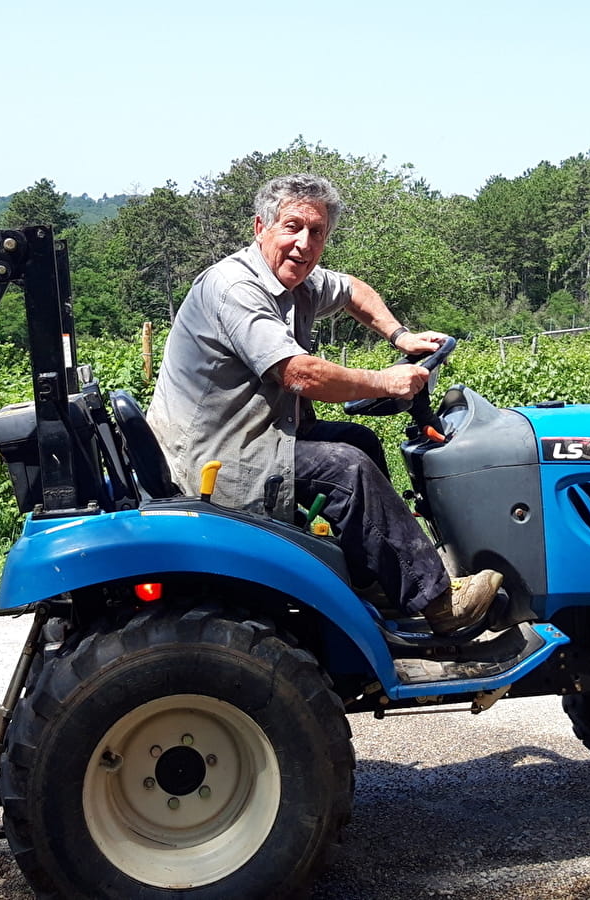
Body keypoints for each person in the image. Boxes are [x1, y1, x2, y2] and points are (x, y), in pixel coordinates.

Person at [146, 173, 501, 634]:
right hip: (218, 454)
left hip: (258, 434)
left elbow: (354, 289)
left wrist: (400, 334)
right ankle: (437, 602)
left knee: (358, 440)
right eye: (292, 227)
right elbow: (298, 372)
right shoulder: (235, 287)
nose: (303, 243)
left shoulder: (300, 282)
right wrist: (387, 381)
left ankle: (374, 579)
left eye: (317, 233)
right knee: (345, 467)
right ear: (261, 227)